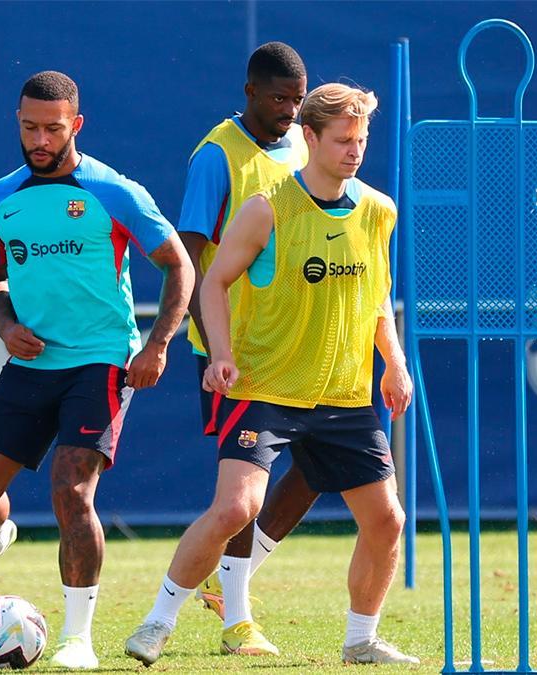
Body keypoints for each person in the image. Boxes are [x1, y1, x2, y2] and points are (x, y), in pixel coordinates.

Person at [124, 83, 418, 666]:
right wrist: (223, 353)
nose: (354, 151)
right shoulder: (266, 208)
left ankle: (360, 640)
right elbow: (213, 281)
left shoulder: (379, 210)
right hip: (263, 389)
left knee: (388, 520)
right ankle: (158, 621)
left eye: (361, 140)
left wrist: (395, 362)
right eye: (342, 140)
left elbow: (377, 299)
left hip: (342, 395)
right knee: (236, 509)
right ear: (308, 138)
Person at [0, 71, 194, 670]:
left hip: (101, 361)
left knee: (71, 491)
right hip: (30, 364)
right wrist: (4, 325)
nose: (40, 139)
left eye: (54, 128)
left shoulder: (113, 190)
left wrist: (156, 346)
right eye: (30, 127)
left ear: (76, 125)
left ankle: (78, 637)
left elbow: (178, 266)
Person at [175, 41, 319, 655]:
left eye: (297, 99)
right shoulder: (216, 156)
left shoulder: (306, 148)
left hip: (305, 344)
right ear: (249, 93)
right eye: (279, 98)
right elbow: (188, 256)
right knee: (240, 495)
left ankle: (230, 578)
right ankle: (238, 619)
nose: (289, 110)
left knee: (320, 468)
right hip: (238, 350)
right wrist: (213, 348)